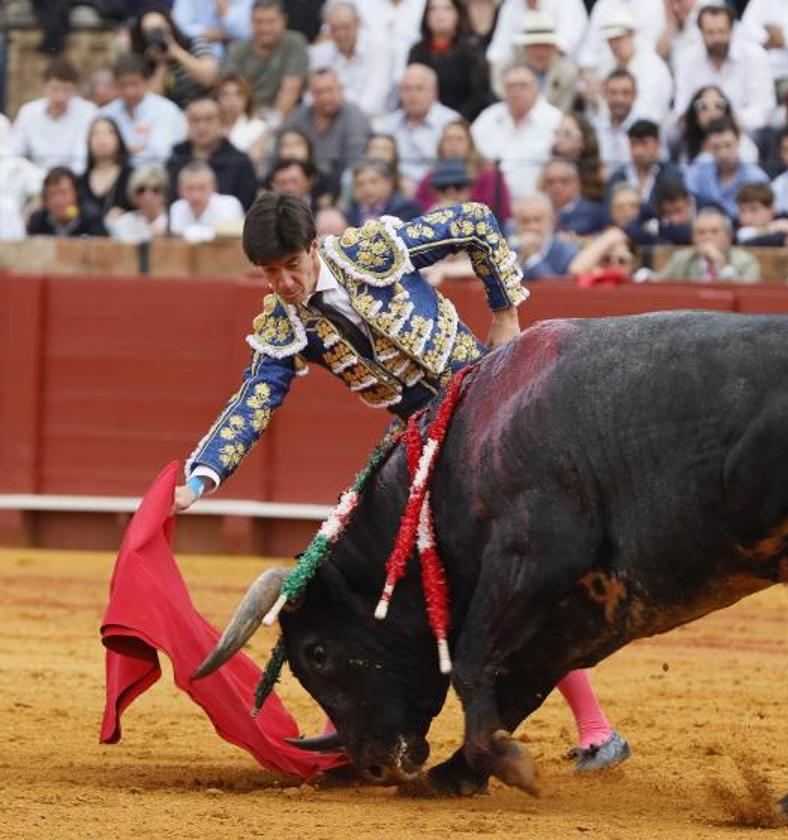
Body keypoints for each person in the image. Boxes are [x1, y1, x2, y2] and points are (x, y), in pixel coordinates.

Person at [172, 191, 632, 772]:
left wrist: (505, 312)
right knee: (381, 579)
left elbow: (476, 221)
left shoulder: (373, 250)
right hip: (423, 442)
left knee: (513, 578)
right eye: (270, 273)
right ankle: (348, 725)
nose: (284, 282)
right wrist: (199, 478)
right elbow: (254, 401)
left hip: (489, 415)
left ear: (314, 247)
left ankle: (596, 729)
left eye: (292, 265)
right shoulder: (285, 323)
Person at [670, 4, 776, 135]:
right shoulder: (686, 58)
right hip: (700, 130)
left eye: (722, 32)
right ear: (700, 32)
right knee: (671, 131)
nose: (717, 39)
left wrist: (726, 124)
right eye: (710, 33)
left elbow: (763, 109)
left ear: (731, 31)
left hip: (743, 129)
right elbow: (682, 107)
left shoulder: (754, 55)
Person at [471, 63, 564, 199]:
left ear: (536, 88)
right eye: (510, 86)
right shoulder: (488, 117)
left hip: (538, 206)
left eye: (523, 85)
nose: (516, 91)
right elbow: (470, 152)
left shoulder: (555, 119)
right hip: (490, 205)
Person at [222, 0, 309, 123]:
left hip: (282, 118)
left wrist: (268, 124)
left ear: (283, 21)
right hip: (244, 117)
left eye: (270, 22)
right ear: (251, 23)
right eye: (259, 22)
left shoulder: (294, 43)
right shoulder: (238, 49)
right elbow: (229, 90)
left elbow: (291, 89)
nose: (265, 28)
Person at [406, 0, 494, 121]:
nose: (439, 14)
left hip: (464, 121)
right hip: (425, 120)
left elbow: (480, 95)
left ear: (458, 14)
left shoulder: (471, 50)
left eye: (447, 9)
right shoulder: (417, 52)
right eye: (433, 9)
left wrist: (455, 121)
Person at [167, 97, 260, 211]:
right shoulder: (176, 157)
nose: (202, 127)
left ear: (221, 122)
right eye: (195, 120)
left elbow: (248, 204)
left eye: (208, 119)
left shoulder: (238, 161)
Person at [375, 64, 461, 185]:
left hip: (439, 188)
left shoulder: (452, 123)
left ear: (434, 92)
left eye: (419, 88)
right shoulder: (386, 125)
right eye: (407, 89)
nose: (412, 95)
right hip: (396, 190)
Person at [586, 7, 673, 126]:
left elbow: (648, 112)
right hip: (611, 133)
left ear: (632, 35)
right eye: (610, 40)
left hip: (646, 133)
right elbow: (600, 112)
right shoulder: (607, 65)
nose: (614, 45)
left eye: (619, 38)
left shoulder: (653, 66)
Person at [9, 58, 97, 174]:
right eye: (55, 89)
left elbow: (84, 159)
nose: (60, 97)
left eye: (67, 90)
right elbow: (14, 150)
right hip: (35, 178)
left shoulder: (88, 112)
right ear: (44, 87)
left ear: (75, 89)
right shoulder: (28, 112)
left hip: (75, 179)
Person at [283, 69, 372, 181]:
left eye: (330, 90)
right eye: (319, 92)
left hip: (341, 183)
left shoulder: (355, 116)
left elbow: (355, 162)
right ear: (310, 94)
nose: (325, 97)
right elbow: (279, 154)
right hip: (303, 181)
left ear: (341, 89)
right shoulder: (298, 116)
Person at [413, 119, 512, 220]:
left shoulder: (489, 175)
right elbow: (417, 209)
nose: (453, 144)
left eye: (459, 139)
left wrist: (461, 206)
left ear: (470, 144)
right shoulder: (431, 177)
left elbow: (502, 212)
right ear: (440, 145)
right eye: (448, 139)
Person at [308, 2, 392, 119]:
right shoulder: (319, 54)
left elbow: (375, 98)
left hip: (368, 120)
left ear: (358, 24)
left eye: (345, 27)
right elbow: (310, 97)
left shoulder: (378, 49)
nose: (340, 34)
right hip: (327, 121)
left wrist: (343, 118)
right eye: (334, 28)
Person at [101, 54, 187, 166]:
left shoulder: (166, 110)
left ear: (147, 82)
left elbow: (161, 153)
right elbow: (100, 154)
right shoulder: (106, 113)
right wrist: (141, 147)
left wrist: (121, 151)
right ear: (116, 85)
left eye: (134, 84)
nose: (129, 92)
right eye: (123, 85)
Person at [129, 6, 220, 109]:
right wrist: (161, 64)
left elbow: (209, 78)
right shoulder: (145, 60)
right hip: (171, 115)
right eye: (149, 32)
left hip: (204, 108)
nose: (155, 35)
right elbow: (152, 100)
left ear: (169, 27)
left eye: (159, 29)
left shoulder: (195, 43)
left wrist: (176, 51)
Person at [490, 12, 580, 114]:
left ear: (555, 48)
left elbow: (563, 111)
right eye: (535, 46)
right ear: (524, 48)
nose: (540, 52)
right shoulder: (505, 68)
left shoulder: (567, 73)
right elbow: (501, 98)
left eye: (546, 46)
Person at [684, 118, 769, 222]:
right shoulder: (697, 173)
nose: (723, 153)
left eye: (728, 145)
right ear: (707, 147)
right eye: (716, 147)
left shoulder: (756, 177)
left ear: (738, 142)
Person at [607, 119, 686, 216]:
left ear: (658, 144)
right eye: (634, 144)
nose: (638, 151)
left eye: (644, 143)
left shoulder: (672, 175)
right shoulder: (617, 177)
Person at [657, 207, 760, 281]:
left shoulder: (746, 261)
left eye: (714, 231)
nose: (707, 237)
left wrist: (723, 267)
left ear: (729, 237)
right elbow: (657, 284)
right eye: (701, 232)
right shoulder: (681, 258)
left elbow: (747, 297)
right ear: (693, 239)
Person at [169, 160, 247, 241]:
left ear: (214, 187)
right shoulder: (176, 208)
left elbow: (227, 236)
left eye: (202, 188)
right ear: (179, 190)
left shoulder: (230, 204)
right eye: (189, 188)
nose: (196, 195)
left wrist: (184, 233)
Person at [79, 116, 136, 223]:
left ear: (119, 138)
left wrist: (125, 214)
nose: (102, 138)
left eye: (109, 132)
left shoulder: (132, 176)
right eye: (96, 133)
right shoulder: (81, 180)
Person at [511, 192, 579, 278]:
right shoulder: (511, 251)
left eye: (537, 220)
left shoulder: (567, 252)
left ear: (551, 221)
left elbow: (556, 289)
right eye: (525, 221)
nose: (532, 227)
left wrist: (533, 256)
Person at [28, 167, 109, 238]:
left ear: (76, 193)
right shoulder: (37, 222)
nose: (58, 200)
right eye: (52, 194)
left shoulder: (92, 219)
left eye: (63, 193)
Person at [541, 158, 609, 237]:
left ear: (576, 183)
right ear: (543, 185)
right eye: (550, 182)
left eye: (564, 181)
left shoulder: (596, 212)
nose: (557, 187)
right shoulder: (535, 213)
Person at [344, 158, 422, 226]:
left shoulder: (405, 208)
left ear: (389, 182)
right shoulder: (351, 213)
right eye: (360, 184)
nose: (366, 188)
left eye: (373, 181)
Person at [216, 74, 271, 168]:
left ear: (247, 99)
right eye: (225, 94)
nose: (231, 100)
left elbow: (251, 164)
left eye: (238, 94)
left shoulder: (259, 128)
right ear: (218, 98)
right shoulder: (209, 127)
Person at [108, 164, 171, 243]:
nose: (148, 196)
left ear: (164, 194)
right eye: (141, 190)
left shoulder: (173, 223)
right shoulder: (125, 222)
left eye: (155, 190)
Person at [567, 225, 640, 281]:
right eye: (606, 260)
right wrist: (610, 236)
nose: (615, 266)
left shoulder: (642, 278)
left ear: (633, 263)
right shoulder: (594, 281)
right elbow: (576, 270)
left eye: (622, 260)